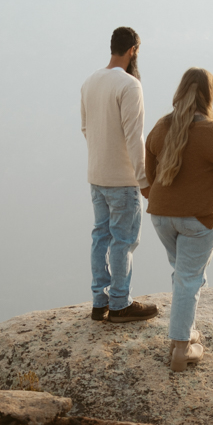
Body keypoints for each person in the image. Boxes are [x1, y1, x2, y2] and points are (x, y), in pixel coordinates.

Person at [145, 66, 213, 372]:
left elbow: (150, 176)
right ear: (208, 95)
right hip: (199, 219)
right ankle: (181, 350)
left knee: (183, 273)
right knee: (189, 277)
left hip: (161, 215)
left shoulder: (161, 127)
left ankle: (186, 330)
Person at [81, 26, 158, 324]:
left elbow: (86, 128)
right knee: (123, 241)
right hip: (122, 180)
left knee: (100, 236)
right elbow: (134, 137)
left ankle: (99, 303)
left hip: (96, 175)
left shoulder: (90, 82)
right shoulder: (129, 86)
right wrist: (144, 181)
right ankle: (120, 303)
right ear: (133, 50)